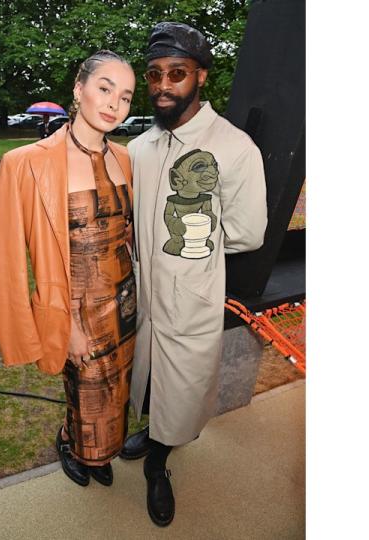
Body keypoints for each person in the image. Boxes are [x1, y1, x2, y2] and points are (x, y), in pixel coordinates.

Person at [122, 22, 268, 526]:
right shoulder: (139, 147)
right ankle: (151, 431)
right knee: (145, 377)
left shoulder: (234, 147)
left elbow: (249, 233)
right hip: (142, 296)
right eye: (155, 74)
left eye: (177, 74)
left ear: (201, 77)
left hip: (191, 297)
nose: (163, 85)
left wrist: (193, 245)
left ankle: (160, 464)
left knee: (181, 390)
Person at [0, 50, 137, 488]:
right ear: (79, 89)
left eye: (125, 97)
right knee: (85, 391)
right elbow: (14, 258)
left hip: (125, 299)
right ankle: (74, 445)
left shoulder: (125, 159)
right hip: (76, 308)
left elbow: (121, 227)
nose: (114, 104)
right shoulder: (27, 163)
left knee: (117, 389)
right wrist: (65, 322)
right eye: (104, 89)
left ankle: (101, 452)